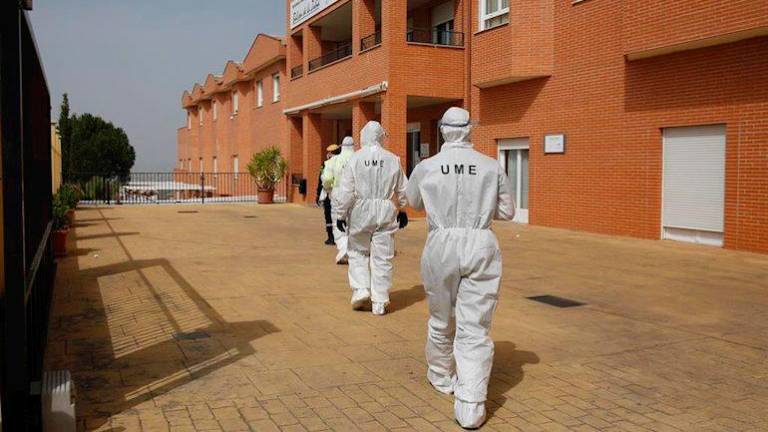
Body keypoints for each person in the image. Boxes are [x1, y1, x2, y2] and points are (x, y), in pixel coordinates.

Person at [405, 107, 515, 429]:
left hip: (441, 244)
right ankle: (471, 403)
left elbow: (413, 202)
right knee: (475, 325)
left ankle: (441, 376)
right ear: (469, 130)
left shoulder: (427, 167)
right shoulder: (490, 165)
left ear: (442, 130)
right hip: (481, 244)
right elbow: (507, 211)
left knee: (441, 318)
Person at [333, 121, 408, 315]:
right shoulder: (393, 159)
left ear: (363, 136)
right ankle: (380, 300)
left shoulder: (355, 159)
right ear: (381, 136)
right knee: (383, 256)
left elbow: (346, 190)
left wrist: (341, 213)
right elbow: (403, 189)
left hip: (360, 210)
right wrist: (402, 209)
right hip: (385, 209)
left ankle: (361, 289)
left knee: (358, 251)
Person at [322, 136, 355, 264]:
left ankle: (343, 249)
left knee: (338, 224)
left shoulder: (333, 161)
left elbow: (327, 179)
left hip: (338, 194)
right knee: (353, 223)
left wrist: (327, 188)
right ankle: (354, 249)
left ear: (342, 146)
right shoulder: (359, 158)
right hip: (356, 195)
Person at [317, 144, 341, 245]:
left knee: (329, 215)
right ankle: (336, 236)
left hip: (329, 193)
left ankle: (331, 237)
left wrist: (318, 194)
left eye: (329, 152)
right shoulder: (342, 162)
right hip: (339, 194)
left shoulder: (327, 164)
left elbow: (321, 179)